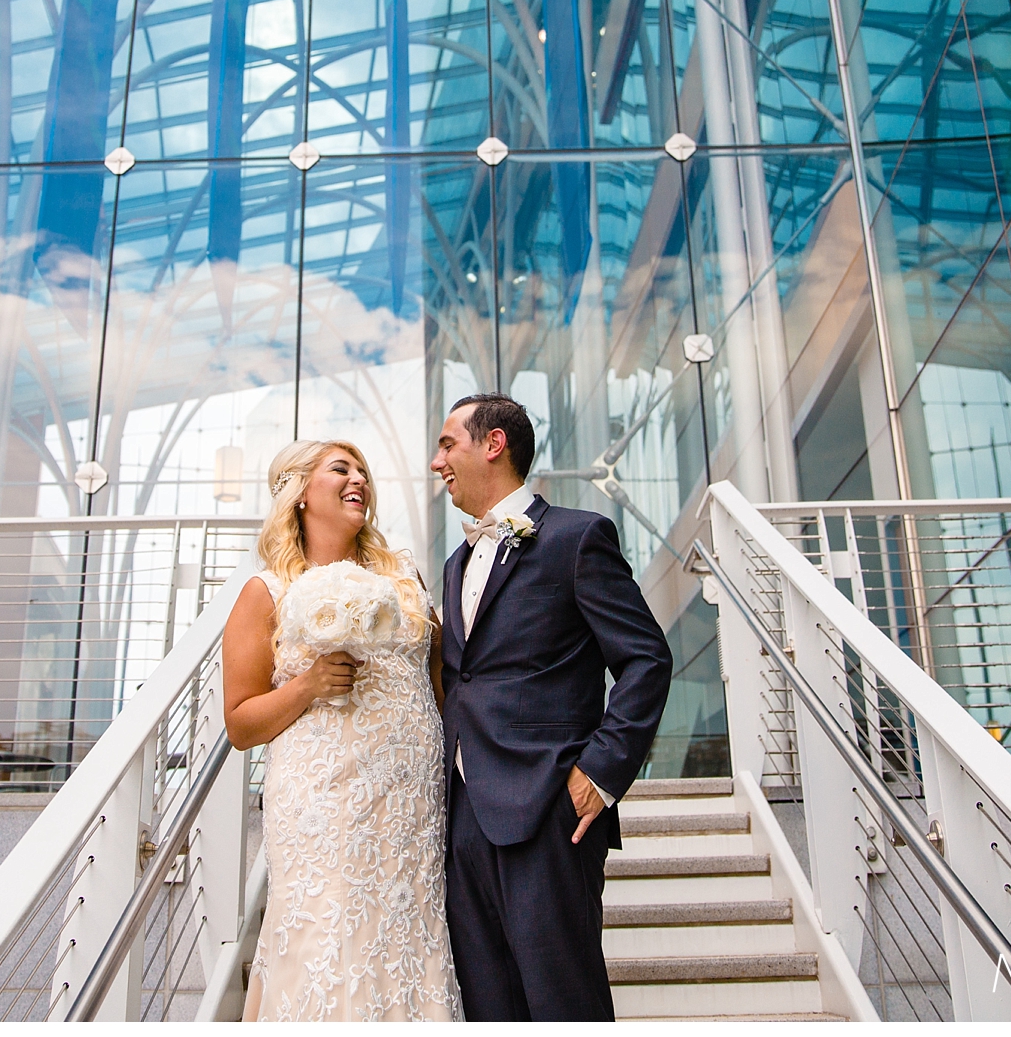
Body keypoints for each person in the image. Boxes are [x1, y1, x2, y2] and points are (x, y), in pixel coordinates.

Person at [431, 392, 674, 1021]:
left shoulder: (577, 536)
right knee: (489, 1004)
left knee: (563, 998)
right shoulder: (456, 564)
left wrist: (598, 773)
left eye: (447, 443)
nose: (437, 462)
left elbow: (646, 658)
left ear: (493, 444)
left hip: (548, 808)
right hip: (463, 819)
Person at [221, 440, 461, 1021]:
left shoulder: (404, 577)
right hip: (324, 804)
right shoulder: (265, 592)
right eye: (340, 469)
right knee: (330, 934)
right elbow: (239, 723)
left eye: (363, 472)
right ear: (301, 493)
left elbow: (438, 684)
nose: (359, 480)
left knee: (410, 930)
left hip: (410, 806)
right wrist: (307, 685)